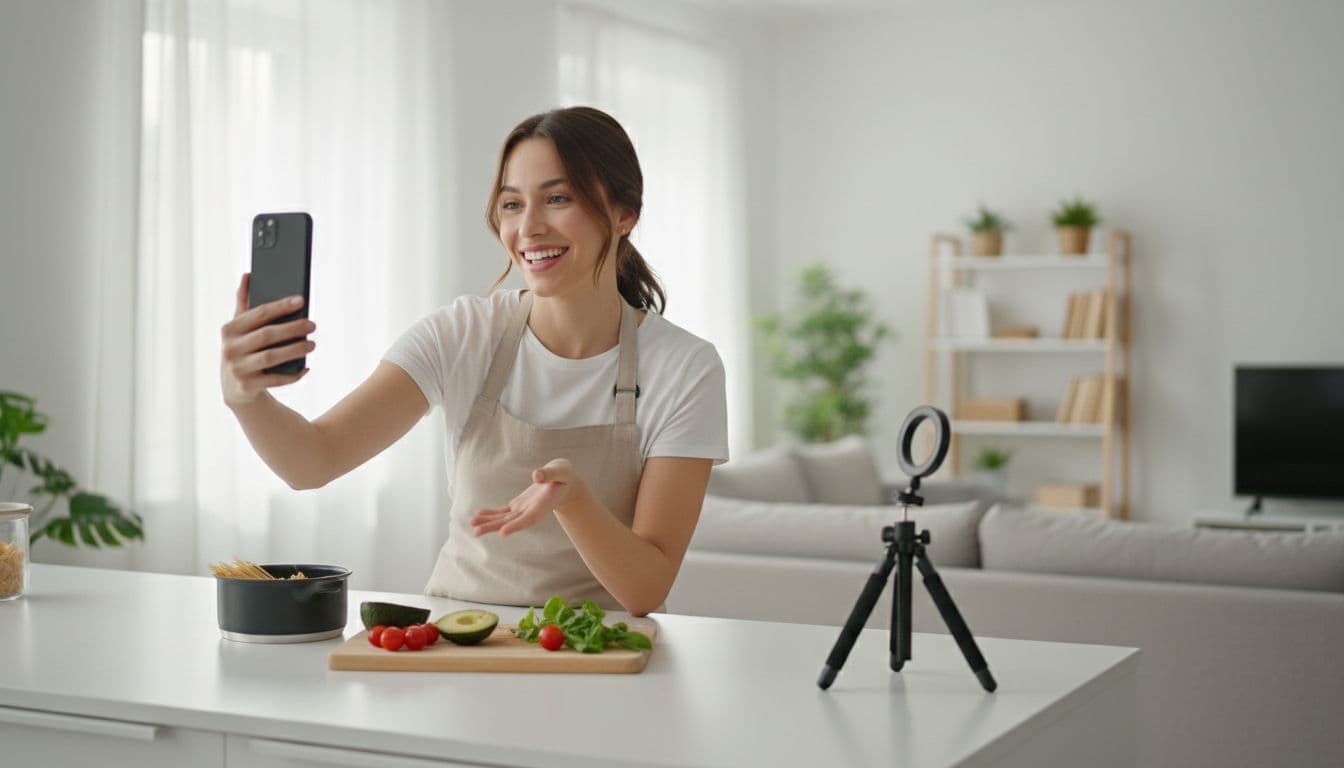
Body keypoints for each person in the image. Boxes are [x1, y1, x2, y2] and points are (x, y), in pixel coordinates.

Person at [220, 106, 728, 616]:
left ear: (623, 214)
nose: (528, 227)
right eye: (512, 204)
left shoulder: (685, 368)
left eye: (558, 198)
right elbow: (313, 462)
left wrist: (574, 501)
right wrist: (245, 398)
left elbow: (646, 590)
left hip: (599, 649)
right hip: (456, 639)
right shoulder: (461, 335)